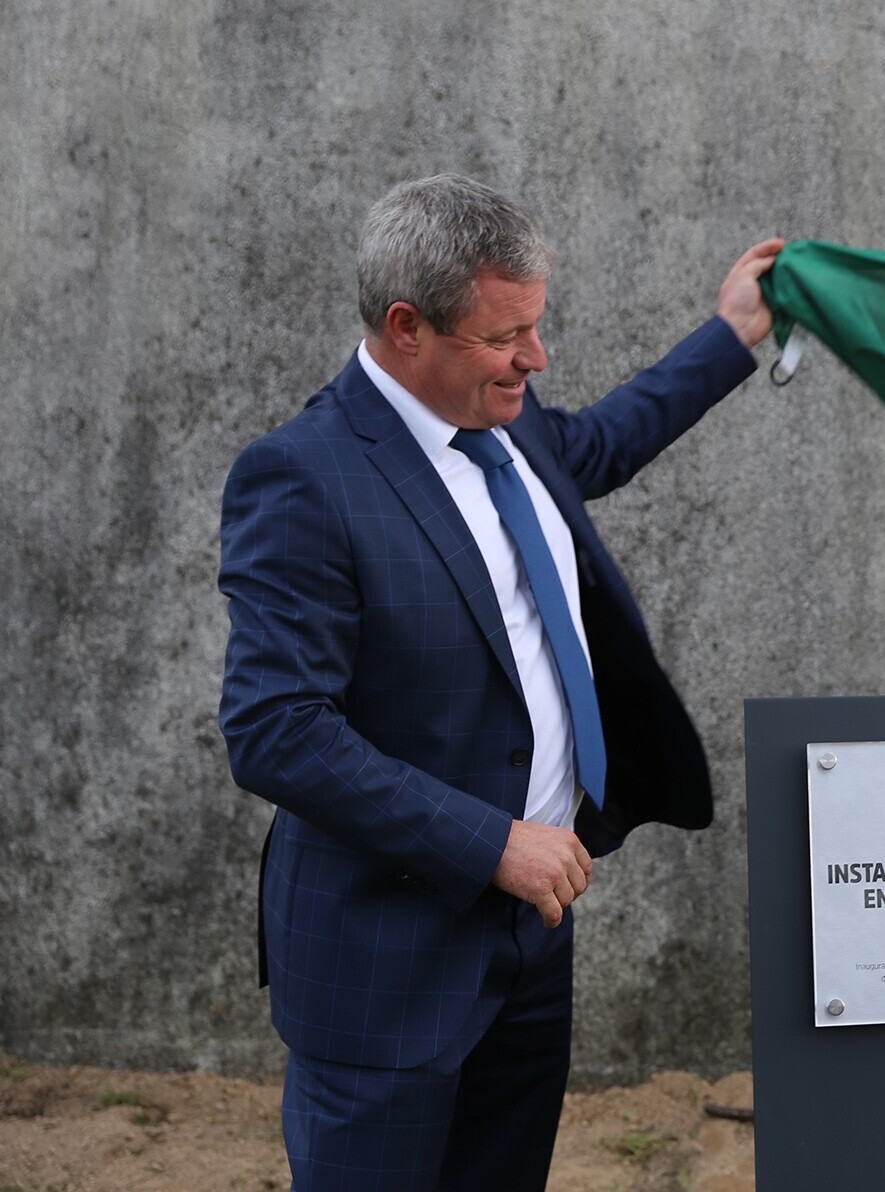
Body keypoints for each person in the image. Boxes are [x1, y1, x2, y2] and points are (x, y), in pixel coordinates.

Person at [218, 173, 781, 1191]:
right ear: (406, 328)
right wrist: (497, 844)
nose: (536, 356)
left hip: (529, 942)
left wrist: (732, 332)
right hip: (385, 964)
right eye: (506, 334)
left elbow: (605, 437)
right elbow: (277, 729)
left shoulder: (508, 426)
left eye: (537, 324)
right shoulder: (304, 476)